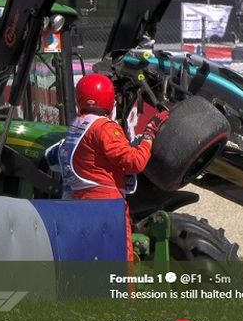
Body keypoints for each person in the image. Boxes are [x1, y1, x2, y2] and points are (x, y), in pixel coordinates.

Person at [58, 73, 169, 261]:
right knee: (120, 262)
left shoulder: (77, 125)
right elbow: (135, 162)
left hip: (80, 201)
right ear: (110, 100)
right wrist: (150, 133)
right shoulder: (105, 128)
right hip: (107, 207)